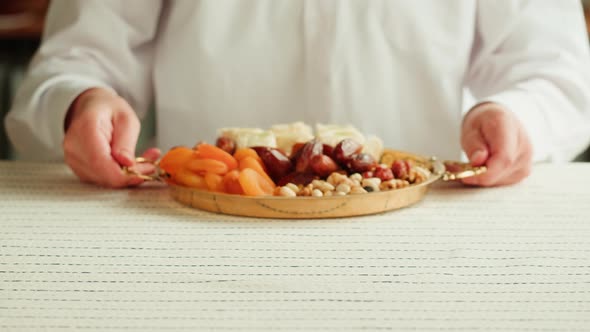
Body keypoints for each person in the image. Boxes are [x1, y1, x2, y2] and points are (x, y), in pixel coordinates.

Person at [5, 0, 590, 188]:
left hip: (430, 253)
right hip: (199, 245)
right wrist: (83, 103)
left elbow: (557, 74)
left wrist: (513, 115)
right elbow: (73, 63)